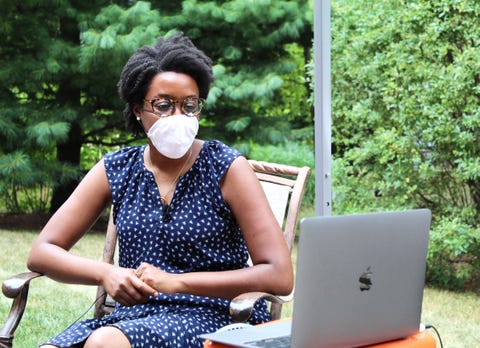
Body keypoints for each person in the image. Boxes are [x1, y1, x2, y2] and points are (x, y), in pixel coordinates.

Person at [27, 33, 294, 348]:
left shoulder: (226, 168)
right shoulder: (118, 169)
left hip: (220, 317)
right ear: (139, 109)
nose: (178, 117)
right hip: (135, 317)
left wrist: (179, 282)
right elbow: (42, 252)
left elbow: (279, 275)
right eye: (164, 105)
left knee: (104, 343)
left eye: (189, 105)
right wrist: (104, 273)